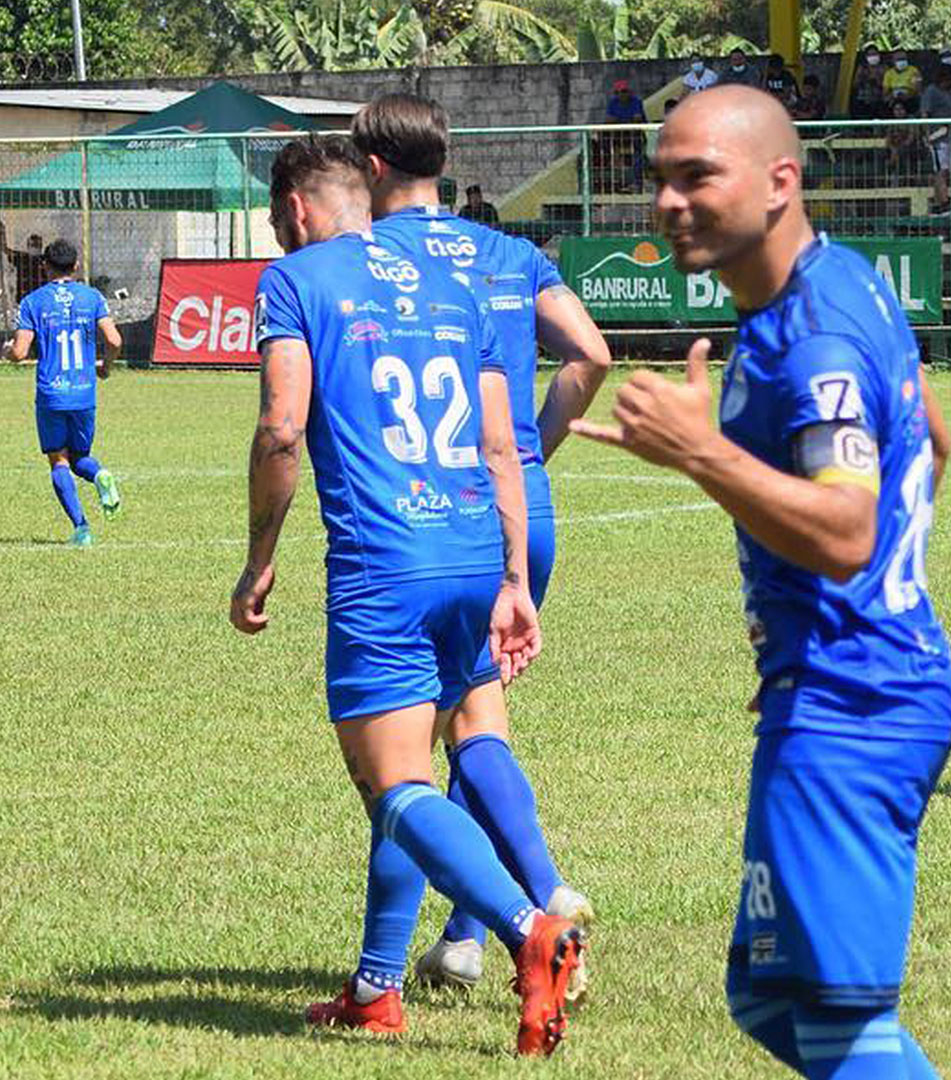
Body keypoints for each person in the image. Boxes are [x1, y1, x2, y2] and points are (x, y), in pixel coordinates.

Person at [573, 85, 951, 1079]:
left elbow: (846, 529)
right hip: (840, 674)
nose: (668, 201)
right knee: (767, 994)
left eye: (698, 175)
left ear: (781, 181)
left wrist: (703, 453)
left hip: (856, 696)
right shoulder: (836, 286)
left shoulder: (816, 333)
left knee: (831, 1021)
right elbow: (932, 442)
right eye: (661, 178)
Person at [231, 134, 581, 1056]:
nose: (279, 234)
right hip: (474, 549)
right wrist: (512, 578)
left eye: (276, 221)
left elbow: (279, 429)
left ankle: (527, 928)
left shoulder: (296, 281)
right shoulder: (457, 285)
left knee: (396, 785)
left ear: (299, 210)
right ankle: (378, 988)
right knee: (422, 774)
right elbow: (505, 446)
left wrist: (259, 558)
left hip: (386, 562)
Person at [347, 92, 612, 1001]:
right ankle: (462, 939)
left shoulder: (366, 259)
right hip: (518, 502)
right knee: (476, 718)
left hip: (425, 511)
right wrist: (539, 442)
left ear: (370, 168)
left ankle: (528, 903)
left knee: (407, 755)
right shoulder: (508, 252)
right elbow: (592, 353)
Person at [8, 238, 122, 546]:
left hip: (52, 394)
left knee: (58, 459)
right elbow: (114, 341)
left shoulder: (33, 302)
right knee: (80, 456)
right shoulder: (92, 297)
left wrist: (9, 351)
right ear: (75, 266)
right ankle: (99, 475)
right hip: (84, 392)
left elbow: (19, 352)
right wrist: (105, 368)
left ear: (44, 266)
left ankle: (82, 528)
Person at [921, 67, 951, 213]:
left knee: (946, 171)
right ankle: (943, 204)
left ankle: (941, 202)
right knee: (940, 171)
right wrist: (928, 136)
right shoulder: (931, 91)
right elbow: (925, 114)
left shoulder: (948, 94)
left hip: (948, 137)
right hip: (937, 137)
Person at [0, 225, 49, 304]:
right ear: (28, 246)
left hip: (41, 298)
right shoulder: (22, 258)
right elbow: (5, 249)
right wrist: (2, 232)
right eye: (33, 245)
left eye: (37, 245)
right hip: (25, 297)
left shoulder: (45, 259)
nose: (35, 248)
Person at [852, 46, 888, 119]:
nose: (873, 57)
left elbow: (887, 85)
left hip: (880, 98)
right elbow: (855, 84)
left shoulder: (884, 68)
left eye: (874, 54)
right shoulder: (862, 67)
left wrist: (877, 79)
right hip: (863, 98)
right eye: (870, 55)